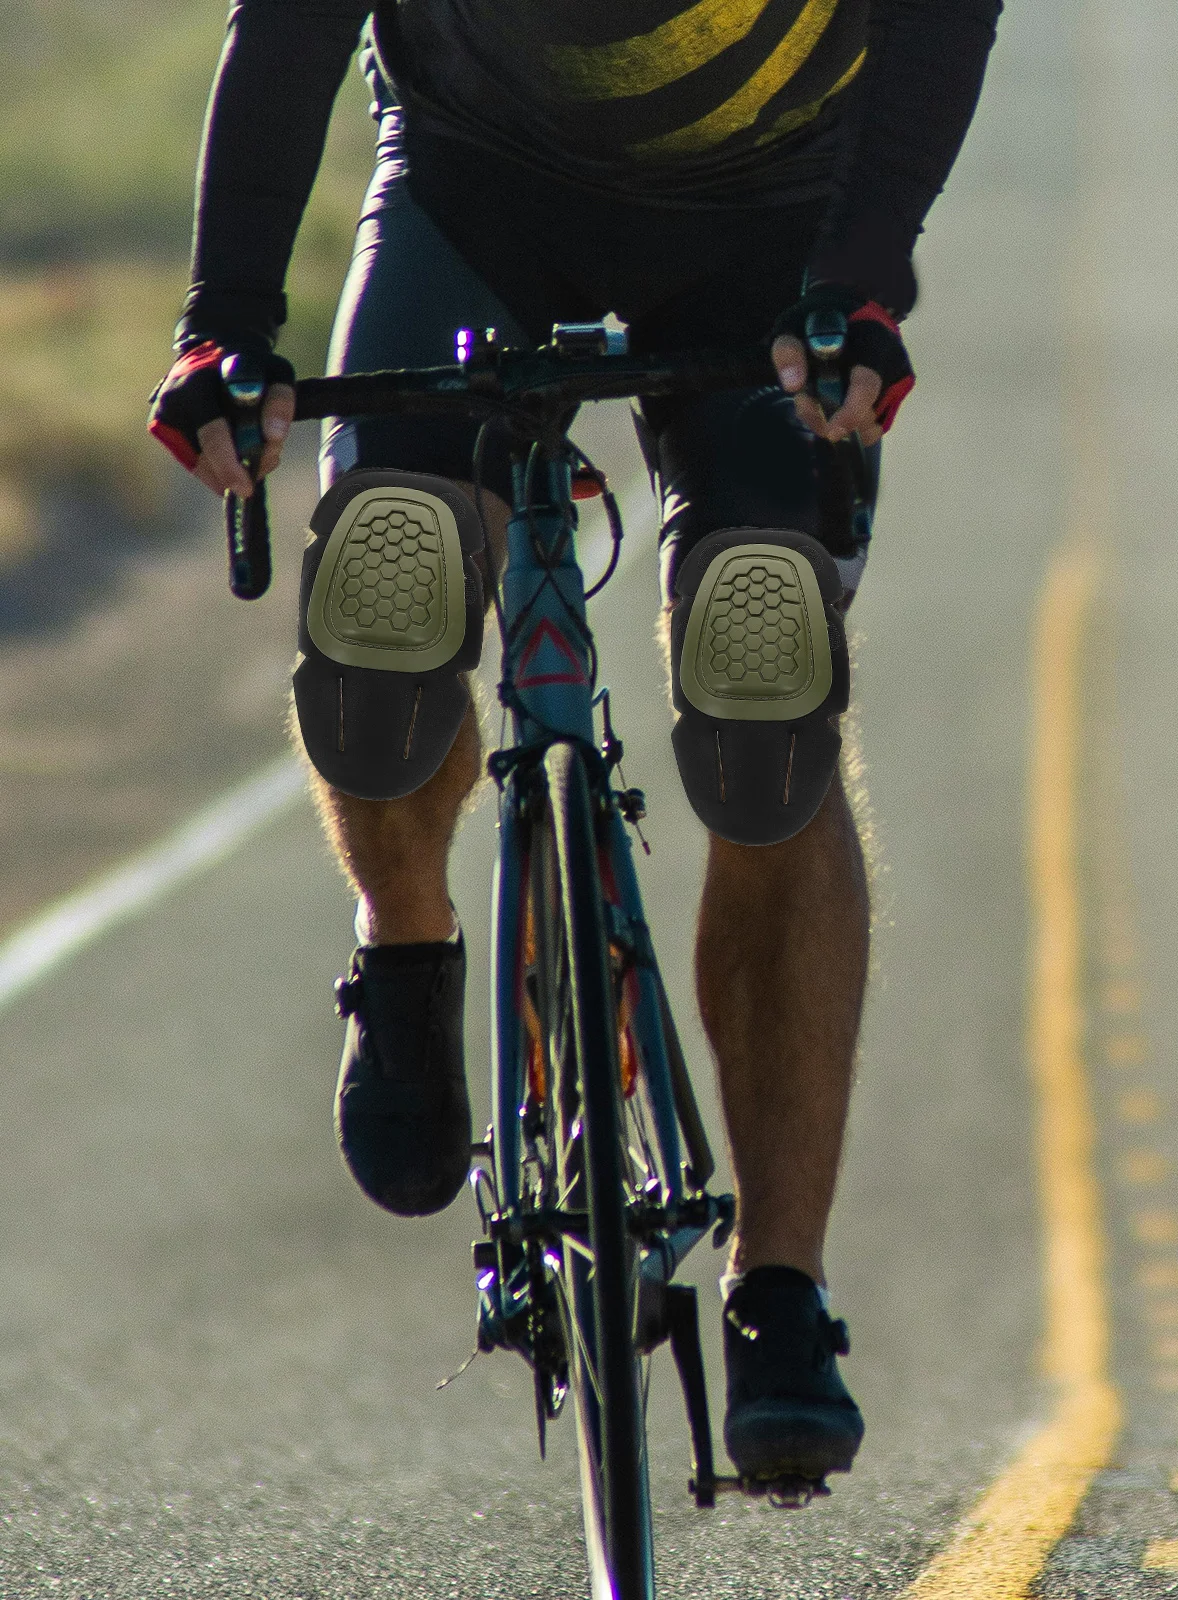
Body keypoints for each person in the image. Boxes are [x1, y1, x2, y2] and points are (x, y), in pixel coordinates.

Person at [149, 0, 999, 1489]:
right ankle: (406, 940)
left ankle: (782, 1292)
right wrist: (226, 320)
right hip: (477, 187)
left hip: (770, 217)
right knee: (386, 594)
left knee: (765, 678)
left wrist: (865, 276)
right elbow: (288, 24)